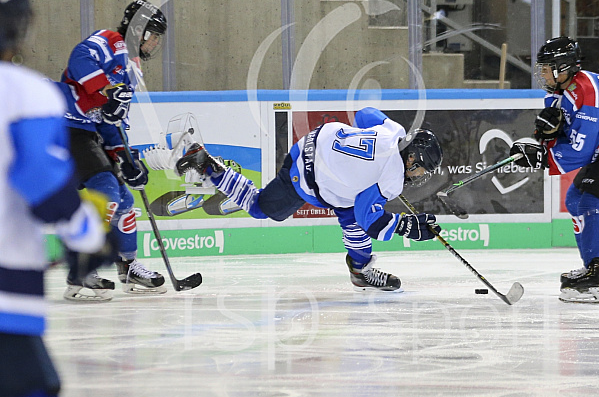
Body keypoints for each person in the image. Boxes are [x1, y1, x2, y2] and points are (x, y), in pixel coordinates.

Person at [0, 0, 117, 397]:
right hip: (7, 292)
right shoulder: (24, 93)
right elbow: (42, 185)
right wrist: (88, 234)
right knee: (33, 394)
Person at [175, 107, 443, 291]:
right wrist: (404, 225)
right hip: (308, 174)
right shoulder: (392, 177)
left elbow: (364, 115)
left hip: (313, 141)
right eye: (421, 169)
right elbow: (368, 217)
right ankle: (208, 165)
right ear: (411, 158)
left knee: (349, 209)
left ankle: (360, 271)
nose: (419, 176)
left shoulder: (394, 130)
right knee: (260, 208)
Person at [510, 36, 599, 303]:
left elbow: (582, 149)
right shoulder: (563, 93)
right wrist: (545, 138)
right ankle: (595, 268)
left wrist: (543, 158)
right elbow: (564, 134)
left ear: (562, 67)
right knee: (575, 199)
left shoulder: (586, 92)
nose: (541, 74)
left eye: (546, 68)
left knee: (591, 201)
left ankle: (597, 278)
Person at [54, 0, 168, 301]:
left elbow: (111, 120)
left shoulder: (132, 68)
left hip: (88, 131)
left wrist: (124, 156)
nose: (155, 42)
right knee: (105, 188)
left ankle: (127, 267)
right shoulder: (111, 40)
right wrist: (107, 90)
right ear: (139, 31)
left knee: (125, 200)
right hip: (65, 124)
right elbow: (79, 58)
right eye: (153, 34)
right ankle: (81, 272)